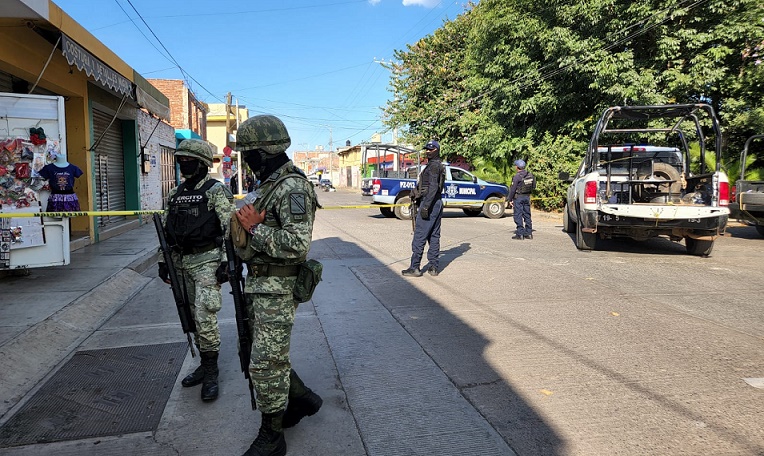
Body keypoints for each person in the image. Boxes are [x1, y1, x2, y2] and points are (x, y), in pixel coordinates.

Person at [233, 115, 322, 456]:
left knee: (264, 363)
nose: (248, 159)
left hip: (277, 288)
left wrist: (255, 229)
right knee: (267, 356)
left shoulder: (293, 186)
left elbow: (298, 244)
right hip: (259, 284)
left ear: (266, 151)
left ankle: (272, 437)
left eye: (250, 153)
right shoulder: (269, 183)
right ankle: (303, 400)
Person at [158, 139, 235, 401]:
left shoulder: (216, 191)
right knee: (190, 316)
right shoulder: (175, 193)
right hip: (180, 263)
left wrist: (226, 262)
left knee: (205, 317)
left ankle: (212, 372)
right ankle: (204, 365)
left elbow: (229, 229)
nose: (183, 165)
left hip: (207, 262)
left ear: (202, 163)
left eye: (189, 161)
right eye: (181, 161)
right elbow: (167, 231)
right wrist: (162, 262)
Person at [402, 139, 444, 277]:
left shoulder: (433, 166)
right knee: (434, 236)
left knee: (420, 235)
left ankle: (415, 267)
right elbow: (428, 185)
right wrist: (416, 192)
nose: (427, 151)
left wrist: (425, 206)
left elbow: (432, 187)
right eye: (426, 149)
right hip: (436, 202)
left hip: (430, 203)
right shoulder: (436, 165)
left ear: (436, 151)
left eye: (430, 150)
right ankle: (433, 267)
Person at [508, 159, 536, 240]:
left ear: (517, 167)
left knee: (518, 215)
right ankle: (529, 233)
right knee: (527, 214)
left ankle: (520, 234)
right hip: (527, 197)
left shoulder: (517, 177)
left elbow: (513, 189)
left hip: (518, 198)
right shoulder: (530, 175)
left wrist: (510, 199)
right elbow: (533, 186)